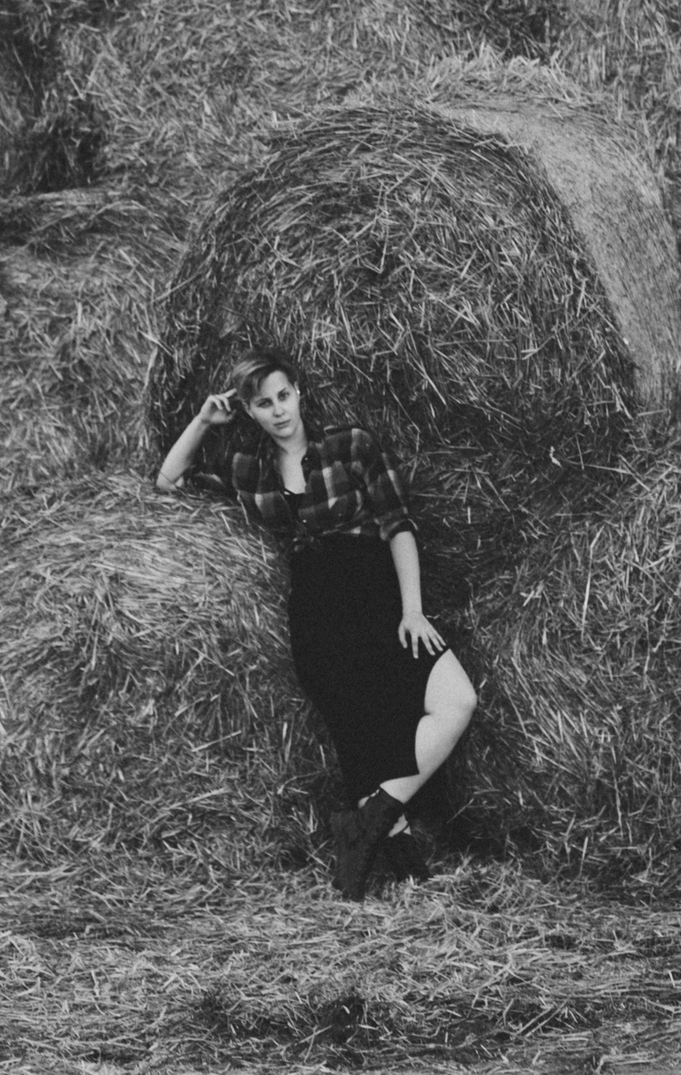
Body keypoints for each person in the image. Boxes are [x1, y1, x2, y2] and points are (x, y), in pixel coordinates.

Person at [155, 349, 477, 899]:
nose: (279, 411)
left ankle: (365, 823)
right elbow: (168, 482)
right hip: (318, 617)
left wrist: (413, 609)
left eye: (284, 396)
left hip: (378, 598)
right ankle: (390, 849)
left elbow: (398, 523)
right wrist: (205, 421)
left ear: (299, 392)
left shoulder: (350, 444)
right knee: (362, 737)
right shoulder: (247, 468)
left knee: (458, 700)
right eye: (263, 403)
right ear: (250, 411)